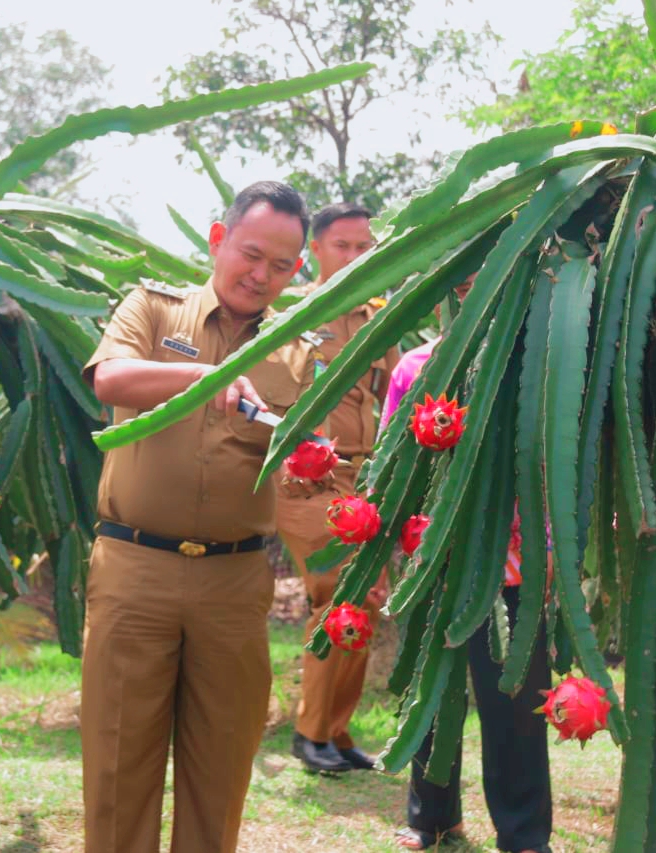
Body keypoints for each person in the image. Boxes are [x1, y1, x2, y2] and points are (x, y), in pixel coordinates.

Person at [81, 181, 321, 853]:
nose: (261, 275)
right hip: (135, 569)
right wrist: (204, 380)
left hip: (235, 581)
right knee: (118, 762)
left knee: (218, 774)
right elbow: (110, 378)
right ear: (219, 240)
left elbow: (312, 456)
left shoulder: (299, 351)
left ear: (296, 269)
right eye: (250, 254)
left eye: (280, 266)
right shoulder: (155, 310)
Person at [384, 287, 554, 853]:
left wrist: (550, 544)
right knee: (432, 697)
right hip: (435, 559)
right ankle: (432, 817)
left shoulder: (536, 364)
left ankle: (524, 833)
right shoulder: (414, 369)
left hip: (514, 564)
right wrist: (396, 555)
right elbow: (392, 465)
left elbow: (554, 460)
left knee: (516, 705)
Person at [275, 202, 400, 774]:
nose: (354, 257)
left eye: (364, 247)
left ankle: (336, 732)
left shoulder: (383, 318)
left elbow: (393, 397)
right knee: (336, 587)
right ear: (315, 252)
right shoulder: (289, 312)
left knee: (365, 598)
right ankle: (309, 734)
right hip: (304, 479)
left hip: (363, 475)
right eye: (342, 246)